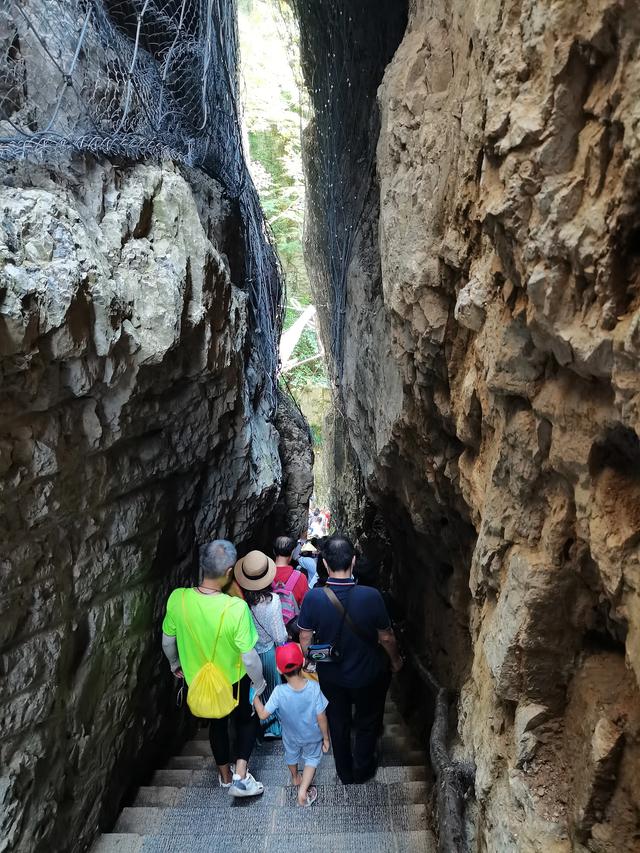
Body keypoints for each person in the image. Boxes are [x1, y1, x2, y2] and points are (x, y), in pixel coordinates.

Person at [161, 540, 266, 798]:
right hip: (235, 680)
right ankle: (241, 776)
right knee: (247, 720)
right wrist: (259, 684)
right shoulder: (236, 608)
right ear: (230, 571)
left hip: (200, 680)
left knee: (217, 726)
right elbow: (249, 657)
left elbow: (167, 641)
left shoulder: (179, 599)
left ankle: (225, 777)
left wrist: (175, 665)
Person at [298, 535, 403, 784]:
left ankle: (344, 772)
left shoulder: (314, 597)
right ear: (353, 561)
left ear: (323, 563)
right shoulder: (372, 596)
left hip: (331, 675)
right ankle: (363, 769)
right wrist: (396, 661)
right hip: (368, 673)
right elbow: (386, 637)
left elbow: (305, 636)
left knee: (338, 721)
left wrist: (311, 659)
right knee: (367, 721)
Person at [253, 643, 330, 807]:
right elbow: (321, 716)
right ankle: (303, 790)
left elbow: (262, 714)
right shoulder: (314, 688)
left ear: (279, 670)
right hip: (312, 735)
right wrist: (326, 738)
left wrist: (254, 697)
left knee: (291, 755)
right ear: (303, 662)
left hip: (290, 736)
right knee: (311, 759)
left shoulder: (279, 692)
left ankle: (295, 778)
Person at [234, 550, 287, 739]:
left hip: (245, 656)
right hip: (267, 653)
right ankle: (271, 729)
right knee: (271, 689)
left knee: (251, 693)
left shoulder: (238, 602)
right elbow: (279, 635)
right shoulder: (274, 601)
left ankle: (252, 731)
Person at [273, 536, 309, 637]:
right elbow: (304, 608)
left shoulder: (265, 577)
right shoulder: (300, 577)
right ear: (292, 552)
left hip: (268, 634)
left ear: (274, 552)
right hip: (290, 634)